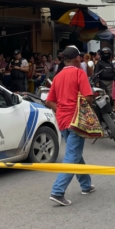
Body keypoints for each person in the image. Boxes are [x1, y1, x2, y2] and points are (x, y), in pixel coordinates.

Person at [45, 46, 95, 206]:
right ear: (77, 59)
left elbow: (49, 101)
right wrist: (82, 110)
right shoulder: (79, 73)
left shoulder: (58, 76)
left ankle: (86, 185)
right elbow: (88, 97)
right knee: (72, 155)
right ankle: (57, 191)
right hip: (76, 121)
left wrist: (61, 110)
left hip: (62, 120)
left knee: (75, 153)